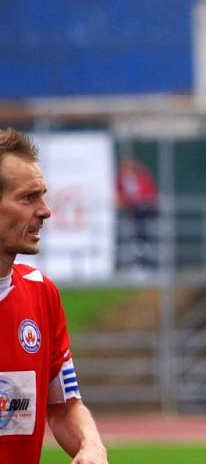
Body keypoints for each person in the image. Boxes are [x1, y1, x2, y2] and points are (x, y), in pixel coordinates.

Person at [0, 128, 107, 464]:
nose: (46, 211)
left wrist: (91, 446)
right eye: (29, 198)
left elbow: (62, 406)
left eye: (43, 196)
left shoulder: (41, 292)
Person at [116, 155, 158, 272]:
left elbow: (149, 195)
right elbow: (119, 197)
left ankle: (144, 262)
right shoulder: (120, 181)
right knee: (138, 228)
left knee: (141, 221)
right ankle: (140, 259)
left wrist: (140, 200)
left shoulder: (142, 178)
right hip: (130, 211)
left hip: (143, 210)